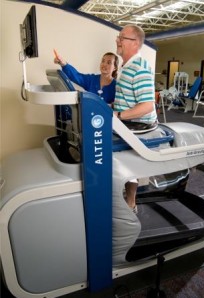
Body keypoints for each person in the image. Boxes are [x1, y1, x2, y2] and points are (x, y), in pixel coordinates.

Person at [114, 24, 157, 214]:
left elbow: (147, 106)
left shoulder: (139, 68)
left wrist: (119, 116)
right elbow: (127, 97)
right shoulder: (126, 65)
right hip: (128, 119)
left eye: (121, 37)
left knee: (126, 161)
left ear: (135, 43)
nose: (117, 40)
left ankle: (131, 203)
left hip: (140, 123)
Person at [54, 51, 119, 105]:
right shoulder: (91, 80)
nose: (104, 64)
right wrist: (63, 63)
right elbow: (76, 76)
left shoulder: (116, 87)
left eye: (109, 63)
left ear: (115, 68)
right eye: (103, 61)